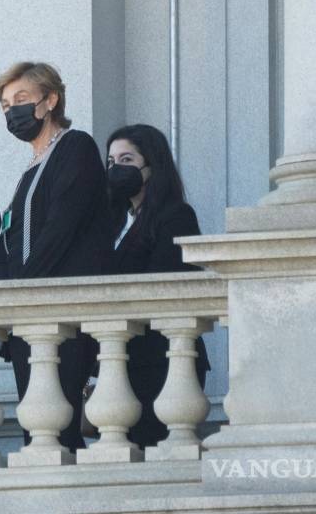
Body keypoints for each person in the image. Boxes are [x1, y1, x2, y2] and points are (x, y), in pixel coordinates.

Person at [0, 61, 112, 453]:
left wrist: (21, 291)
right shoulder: (30, 168)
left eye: (22, 100)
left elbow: (61, 228)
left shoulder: (75, 147)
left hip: (62, 314)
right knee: (36, 430)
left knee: (59, 426)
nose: (13, 111)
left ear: (50, 101)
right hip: (29, 319)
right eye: (6, 104)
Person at [105, 123, 209, 448]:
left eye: (126, 160)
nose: (115, 169)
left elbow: (166, 281)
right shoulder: (116, 220)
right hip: (124, 356)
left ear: (151, 165)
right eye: (110, 162)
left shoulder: (176, 215)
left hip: (162, 358)